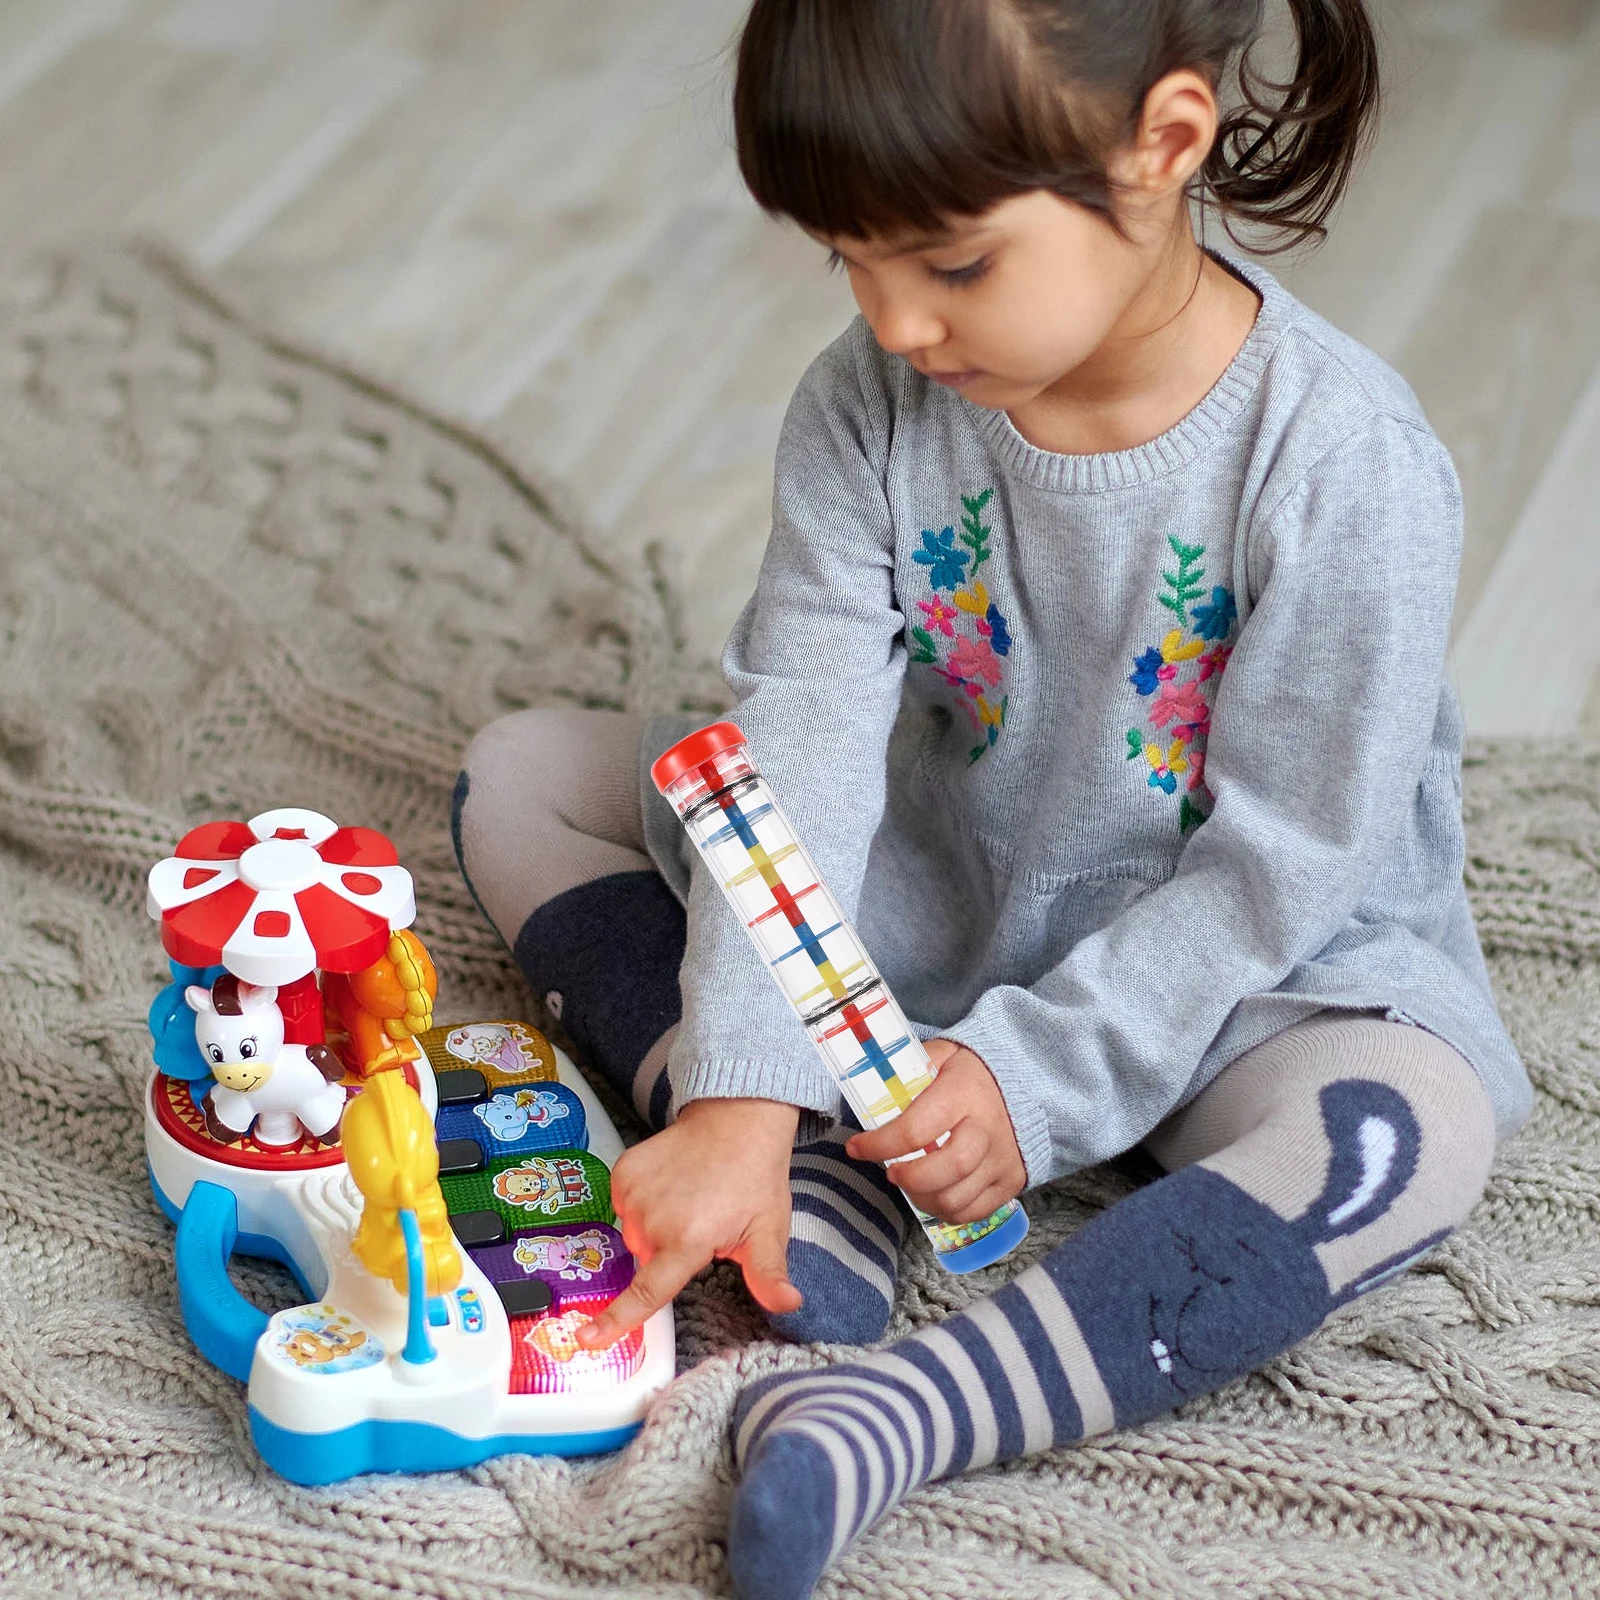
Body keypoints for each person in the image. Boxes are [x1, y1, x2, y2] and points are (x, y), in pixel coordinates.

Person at [453, 0, 1533, 1594]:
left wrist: (1033, 1084)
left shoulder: (1348, 468)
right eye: (850, 262)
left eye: (950, 266)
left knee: (1407, 1130)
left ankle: (906, 1409)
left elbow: (1284, 864)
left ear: (1162, 148)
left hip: (1232, 981)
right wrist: (747, 1081)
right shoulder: (870, 401)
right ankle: (804, 1159)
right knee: (526, 772)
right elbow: (805, 728)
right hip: (922, 896)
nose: (895, 324)